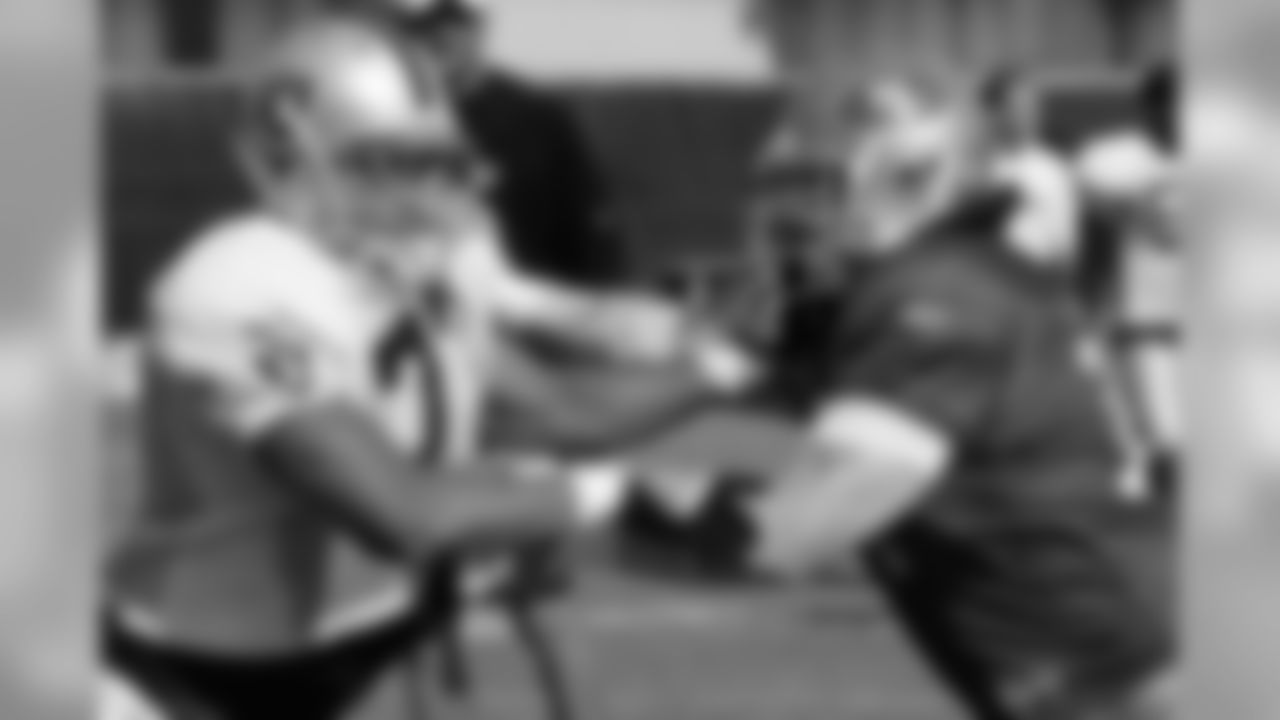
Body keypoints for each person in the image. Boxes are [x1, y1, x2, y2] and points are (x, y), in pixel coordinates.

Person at [103, 17, 750, 720]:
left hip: (354, 654)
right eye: (384, 163)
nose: (422, 191)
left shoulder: (417, 277)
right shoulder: (243, 280)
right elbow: (402, 515)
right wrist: (612, 495)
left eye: (432, 161)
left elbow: (560, 411)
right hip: (188, 676)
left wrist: (728, 364)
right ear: (288, 157)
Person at [557, 125, 1174, 718]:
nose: (795, 226)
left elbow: (779, 539)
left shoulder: (934, 295)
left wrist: (594, 493)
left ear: (918, 187)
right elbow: (614, 389)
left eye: (822, 192)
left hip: (1122, 678)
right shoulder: (963, 277)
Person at [384, 0, 621, 287]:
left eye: (450, 31)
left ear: (477, 33)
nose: (440, 44)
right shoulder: (408, 121)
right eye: (428, 36)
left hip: (537, 276)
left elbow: (586, 211)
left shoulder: (537, 115)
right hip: (444, 278)